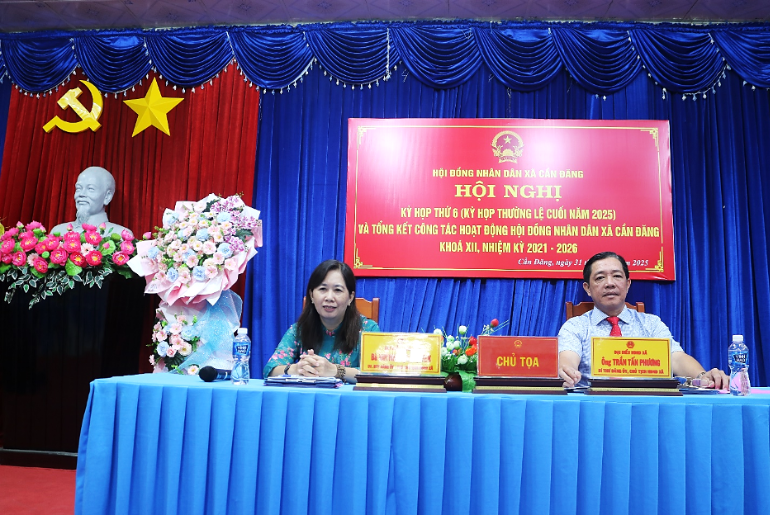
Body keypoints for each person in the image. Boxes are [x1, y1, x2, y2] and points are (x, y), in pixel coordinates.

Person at [558, 251, 729, 389]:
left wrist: (702, 377)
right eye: (600, 278)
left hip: (647, 405)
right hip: (595, 405)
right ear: (587, 288)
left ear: (628, 284)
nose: (609, 283)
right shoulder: (576, 326)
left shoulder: (651, 324)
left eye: (617, 276)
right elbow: (568, 358)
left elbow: (676, 358)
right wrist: (567, 371)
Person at [264, 259, 380, 381]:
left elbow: (378, 375)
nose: (329, 297)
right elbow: (270, 370)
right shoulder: (299, 330)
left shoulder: (368, 329)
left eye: (337, 290)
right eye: (323, 289)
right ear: (312, 295)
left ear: (350, 297)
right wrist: (297, 369)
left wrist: (336, 371)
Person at [50, 166, 129, 235]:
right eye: (78, 188)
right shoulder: (58, 232)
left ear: (107, 197)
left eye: (90, 189)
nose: (81, 194)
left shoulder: (120, 235)